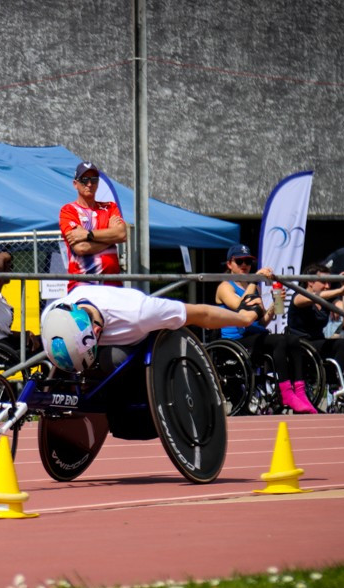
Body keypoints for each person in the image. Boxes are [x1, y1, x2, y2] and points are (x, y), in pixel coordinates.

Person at [40, 283, 261, 375]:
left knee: (114, 359)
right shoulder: (53, 314)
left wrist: (242, 318)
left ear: (96, 333)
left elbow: (200, 314)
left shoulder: (139, 313)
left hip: (138, 341)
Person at [213, 244, 319, 414]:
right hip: (236, 341)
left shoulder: (253, 287)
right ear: (229, 264)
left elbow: (261, 322)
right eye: (239, 261)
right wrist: (255, 279)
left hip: (254, 334)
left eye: (248, 261)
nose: (244, 265)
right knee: (279, 341)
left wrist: (274, 305)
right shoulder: (226, 286)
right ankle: (286, 393)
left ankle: (299, 391)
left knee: (292, 339)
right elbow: (240, 307)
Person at [288, 263, 344, 406]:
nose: (327, 286)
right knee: (340, 344)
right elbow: (313, 297)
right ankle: (341, 387)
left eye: (329, 282)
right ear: (311, 282)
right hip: (301, 345)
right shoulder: (299, 295)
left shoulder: (328, 299)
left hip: (318, 343)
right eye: (323, 282)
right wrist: (339, 290)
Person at [58, 161, 127, 291]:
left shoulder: (110, 207)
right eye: (84, 180)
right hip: (83, 285)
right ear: (75, 184)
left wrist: (88, 234)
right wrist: (111, 239)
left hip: (112, 285)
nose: (89, 184)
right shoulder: (68, 210)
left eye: (94, 180)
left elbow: (122, 234)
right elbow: (81, 248)